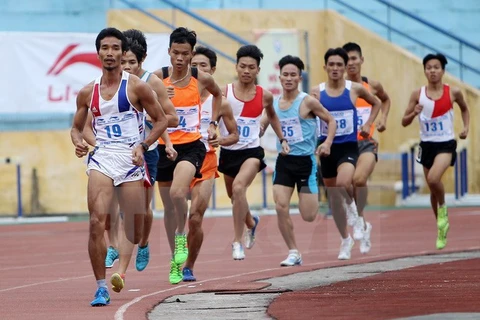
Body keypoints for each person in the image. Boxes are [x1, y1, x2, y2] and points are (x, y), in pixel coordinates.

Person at [70, 27, 168, 307]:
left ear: (123, 52)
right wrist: (79, 143)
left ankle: (134, 251)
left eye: (115, 48)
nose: (110, 53)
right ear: (98, 52)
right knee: (95, 222)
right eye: (105, 48)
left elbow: (161, 120)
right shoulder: (88, 92)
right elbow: (77, 129)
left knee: (134, 231)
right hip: (103, 158)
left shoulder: (136, 86)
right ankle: (101, 286)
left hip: (131, 159)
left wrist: (144, 145)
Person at [103, 29, 179, 293]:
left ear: (142, 60)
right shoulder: (108, 82)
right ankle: (113, 247)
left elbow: (172, 118)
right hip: (114, 152)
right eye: (123, 62)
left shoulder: (151, 83)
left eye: (131, 62)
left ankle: (143, 243)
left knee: (141, 210)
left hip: (145, 153)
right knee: (108, 203)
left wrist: (150, 120)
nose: (126, 67)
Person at [153, 27, 222, 284]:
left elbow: (218, 94)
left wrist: (213, 123)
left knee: (177, 193)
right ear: (169, 51)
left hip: (192, 146)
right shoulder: (157, 79)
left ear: (192, 54)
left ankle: (182, 236)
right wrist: (158, 96)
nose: (179, 59)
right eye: (175, 53)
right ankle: (175, 260)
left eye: (185, 54)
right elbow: (143, 105)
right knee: (170, 210)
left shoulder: (200, 78)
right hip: (164, 147)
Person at [263, 55, 336, 266]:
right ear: (279, 77)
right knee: (280, 206)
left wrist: (327, 143)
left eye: (293, 74)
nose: (288, 78)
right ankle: (293, 251)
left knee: (309, 215)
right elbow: (262, 122)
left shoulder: (308, 102)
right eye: (285, 74)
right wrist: (255, 130)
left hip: (306, 163)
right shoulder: (274, 104)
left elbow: (330, 120)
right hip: (284, 162)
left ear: (299, 78)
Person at [218, 44, 289, 260]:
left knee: (239, 189)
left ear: (258, 70)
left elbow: (273, 116)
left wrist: (282, 138)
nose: (246, 71)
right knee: (234, 196)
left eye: (251, 67)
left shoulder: (264, 95)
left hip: (251, 152)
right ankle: (250, 222)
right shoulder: (224, 92)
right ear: (236, 67)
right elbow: (211, 114)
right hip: (228, 151)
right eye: (243, 66)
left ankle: (237, 241)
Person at [310, 47, 381, 260]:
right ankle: (345, 239)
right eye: (331, 64)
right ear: (325, 67)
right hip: (326, 149)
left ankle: (358, 218)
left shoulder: (355, 89)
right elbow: (305, 114)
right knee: (334, 201)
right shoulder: (316, 92)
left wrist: (369, 124)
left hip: (348, 147)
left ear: (344, 67)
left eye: (339, 64)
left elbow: (376, 103)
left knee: (344, 182)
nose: (335, 68)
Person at [182, 46, 239, 281]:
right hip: (180, 159)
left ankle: (188, 265)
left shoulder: (221, 103)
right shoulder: (178, 95)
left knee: (195, 216)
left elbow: (234, 135)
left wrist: (220, 139)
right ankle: (176, 250)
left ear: (212, 70)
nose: (197, 69)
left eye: (203, 65)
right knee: (176, 216)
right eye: (193, 65)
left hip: (205, 160)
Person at [402, 53, 469, 250]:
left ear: (443, 70)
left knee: (433, 179)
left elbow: (465, 109)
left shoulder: (453, 92)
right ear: (424, 70)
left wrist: (466, 127)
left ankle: (443, 212)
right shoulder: (418, 94)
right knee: (432, 188)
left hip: (446, 144)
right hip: (427, 145)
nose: (432, 70)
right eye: (429, 67)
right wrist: (413, 113)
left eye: (436, 67)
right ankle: (441, 226)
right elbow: (403, 121)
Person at [342, 42, 391, 254]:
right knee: (343, 184)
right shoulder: (339, 89)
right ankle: (360, 220)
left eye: (354, 58)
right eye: (347, 60)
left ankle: (360, 218)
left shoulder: (373, 86)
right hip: (344, 145)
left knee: (359, 180)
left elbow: (385, 100)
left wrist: (382, 121)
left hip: (366, 143)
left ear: (361, 60)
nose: (351, 63)